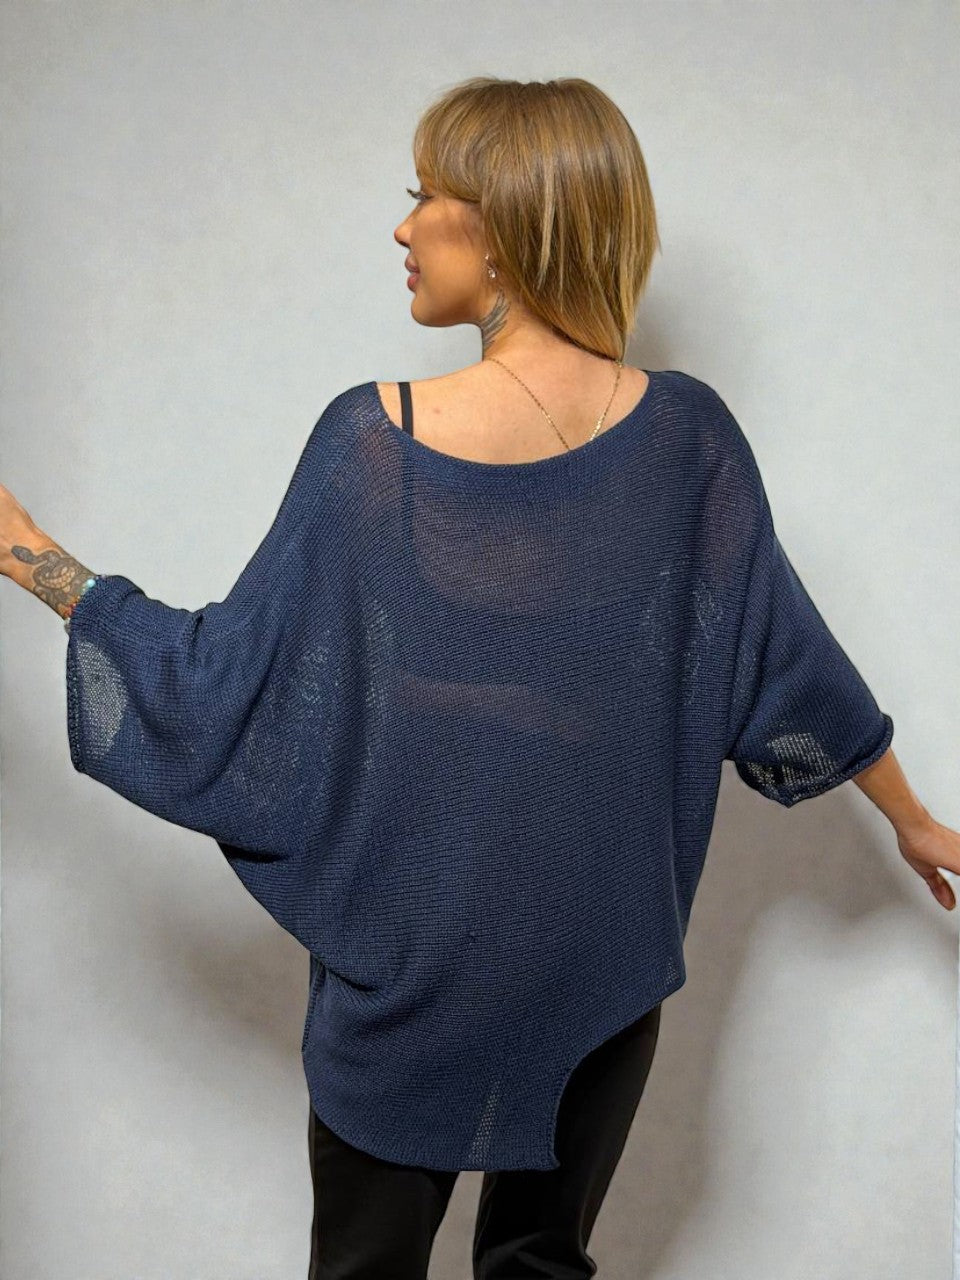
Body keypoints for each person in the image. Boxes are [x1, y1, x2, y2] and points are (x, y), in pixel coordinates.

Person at [1, 74, 957, 1280]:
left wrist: (29, 555)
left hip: (414, 970)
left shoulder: (373, 441)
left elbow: (225, 684)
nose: (402, 228)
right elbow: (791, 668)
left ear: (504, 224)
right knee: (539, 1263)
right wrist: (913, 818)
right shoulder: (689, 438)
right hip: (599, 963)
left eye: (427, 198)